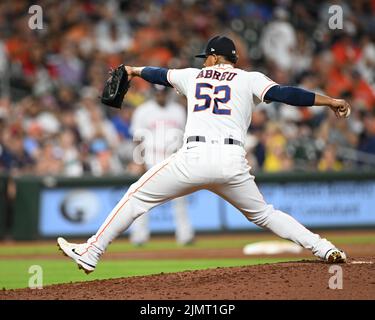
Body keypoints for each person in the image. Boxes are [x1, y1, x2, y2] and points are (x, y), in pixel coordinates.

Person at [58, 35, 350, 274]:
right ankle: (323, 247)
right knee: (265, 214)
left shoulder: (192, 76)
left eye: (206, 57)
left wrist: (133, 70)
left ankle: (92, 251)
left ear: (212, 58)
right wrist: (329, 101)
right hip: (232, 161)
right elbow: (287, 94)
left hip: (195, 157)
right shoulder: (250, 79)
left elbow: (158, 75)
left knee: (136, 196)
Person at [129, 85, 194, 246]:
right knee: (144, 198)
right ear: (153, 94)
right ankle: (139, 236)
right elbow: (137, 138)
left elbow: (186, 135)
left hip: (174, 157)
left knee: (180, 199)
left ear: (168, 93)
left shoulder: (178, 110)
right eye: (157, 93)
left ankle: (185, 236)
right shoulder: (143, 110)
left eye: (163, 92)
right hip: (151, 157)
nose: (160, 95)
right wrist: (139, 161)